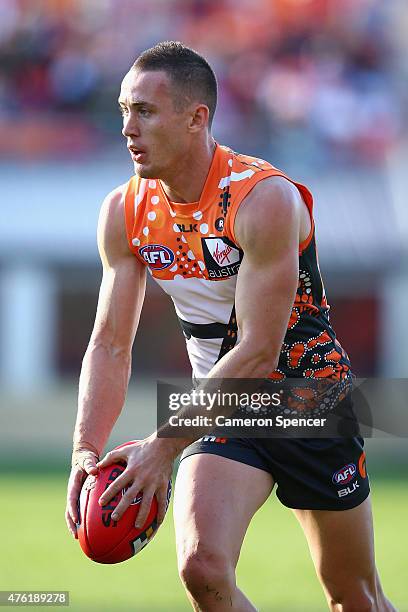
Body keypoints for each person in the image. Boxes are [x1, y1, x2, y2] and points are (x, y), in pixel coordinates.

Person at [65, 41, 395, 611]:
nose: (126, 127)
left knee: (354, 597)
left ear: (197, 119)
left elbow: (259, 354)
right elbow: (111, 343)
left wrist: (159, 448)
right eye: (123, 109)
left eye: (144, 110)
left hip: (307, 400)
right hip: (221, 407)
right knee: (202, 567)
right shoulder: (124, 211)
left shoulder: (262, 198)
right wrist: (84, 449)